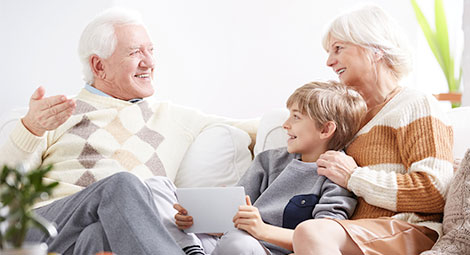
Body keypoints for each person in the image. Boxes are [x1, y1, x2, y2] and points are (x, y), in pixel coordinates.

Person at [0, 7, 254, 255]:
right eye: (135, 52)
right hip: (44, 228)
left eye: (151, 50)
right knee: (121, 184)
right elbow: (5, 185)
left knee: (98, 236)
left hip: (108, 234)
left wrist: (294, 114)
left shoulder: (173, 117)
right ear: (99, 66)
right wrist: (30, 128)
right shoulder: (57, 111)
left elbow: (260, 127)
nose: (150, 62)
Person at [291, 5, 454, 255]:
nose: (329, 61)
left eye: (338, 48)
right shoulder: (350, 120)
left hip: (409, 229)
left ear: (374, 49)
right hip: (354, 234)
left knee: (311, 232)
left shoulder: (415, 104)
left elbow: (434, 190)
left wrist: (355, 177)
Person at [145, 80, 367, 255]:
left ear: (326, 129)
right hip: (226, 242)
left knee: (237, 244)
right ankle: (191, 250)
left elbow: (323, 240)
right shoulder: (269, 160)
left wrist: (262, 230)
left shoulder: (336, 176)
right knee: (157, 186)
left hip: (259, 249)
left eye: (296, 117)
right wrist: (198, 220)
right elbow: (230, 220)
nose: (285, 124)